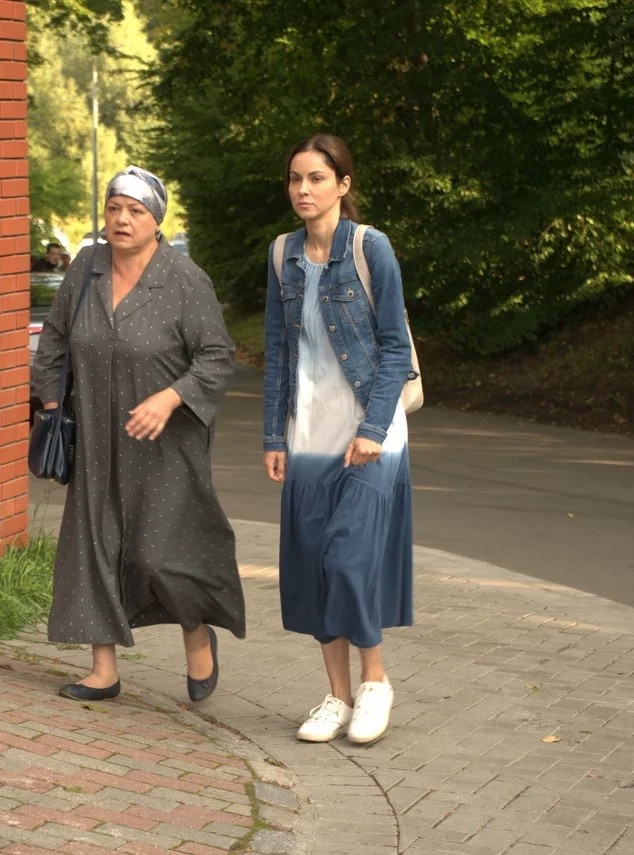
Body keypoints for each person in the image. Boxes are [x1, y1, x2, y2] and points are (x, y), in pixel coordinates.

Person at [31, 165, 245, 703]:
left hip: (165, 442)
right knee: (94, 546)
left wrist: (171, 397)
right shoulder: (86, 268)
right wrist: (53, 403)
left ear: (156, 221)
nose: (122, 220)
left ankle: (197, 635)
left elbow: (217, 356)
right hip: (95, 438)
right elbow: (54, 338)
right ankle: (103, 670)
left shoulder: (184, 278)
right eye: (114, 208)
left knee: (160, 553)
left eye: (135, 211)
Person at [262, 134, 414, 744]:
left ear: (343, 185)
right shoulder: (282, 254)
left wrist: (373, 429)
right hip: (309, 431)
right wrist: (273, 434)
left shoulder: (369, 247)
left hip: (372, 432)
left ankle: (375, 681)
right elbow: (278, 350)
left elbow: (395, 345)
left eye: (317, 178)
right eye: (295, 178)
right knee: (314, 566)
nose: (303, 189)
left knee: (348, 558)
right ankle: (338, 697)